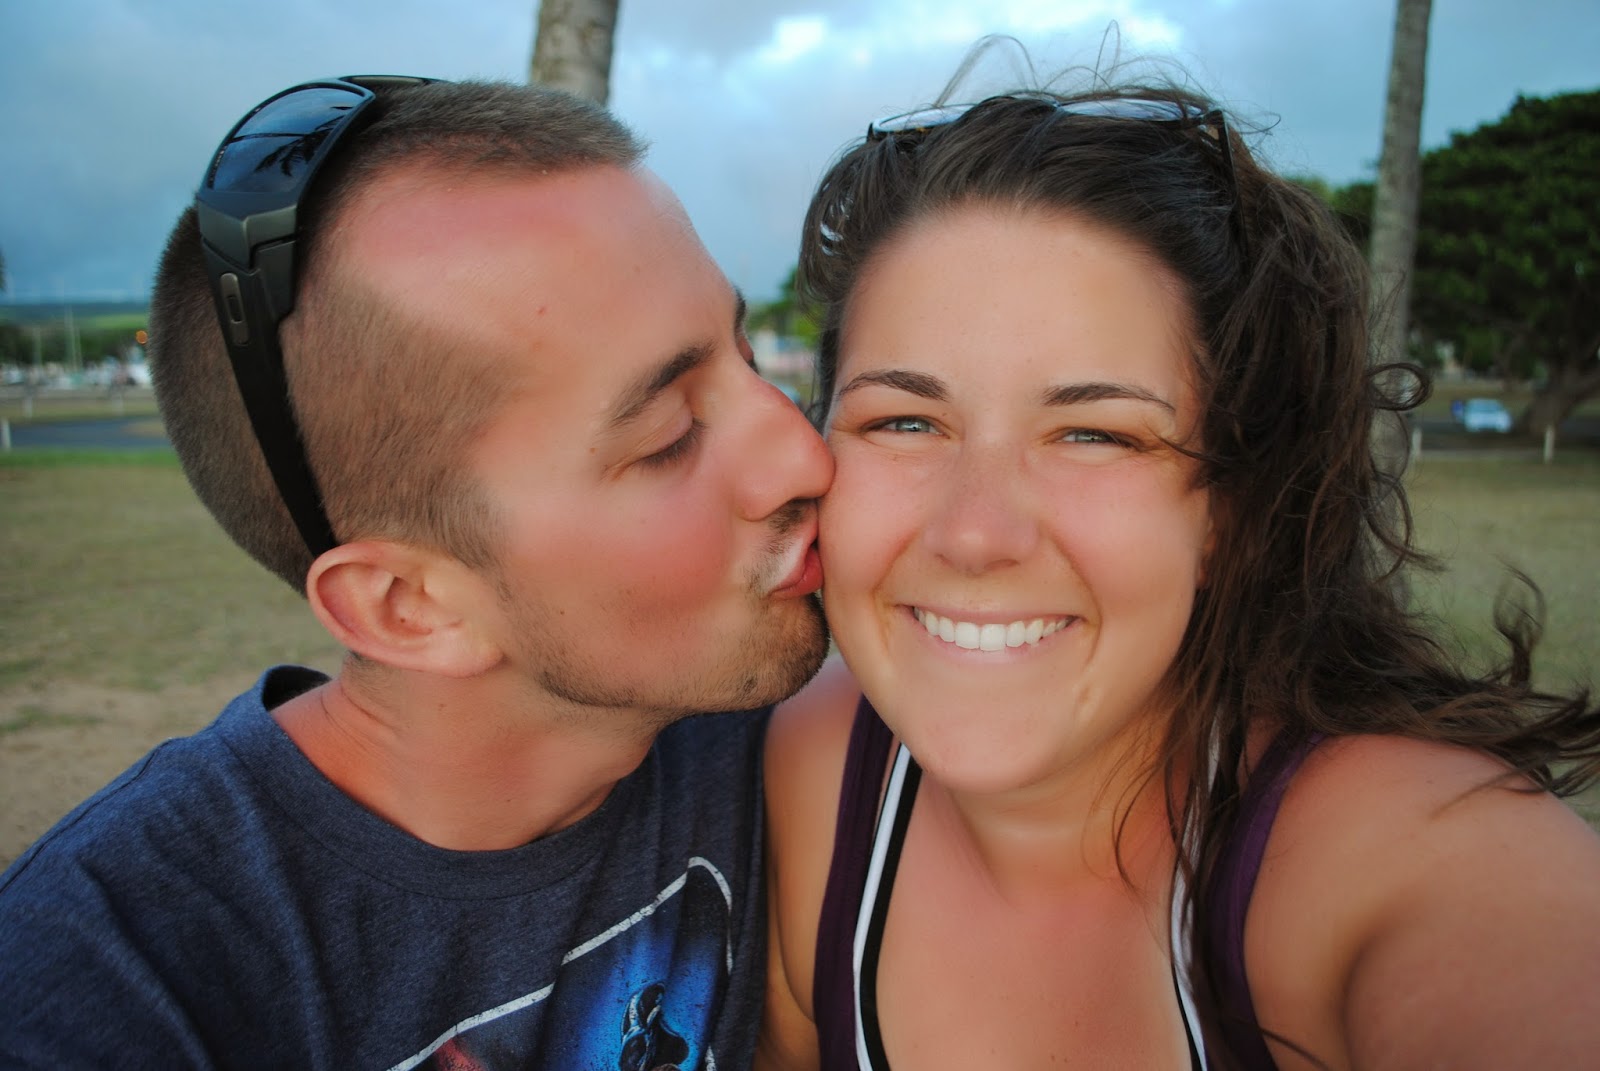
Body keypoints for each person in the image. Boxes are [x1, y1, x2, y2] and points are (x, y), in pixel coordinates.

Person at [758, 80, 1600, 1069]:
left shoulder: (1414, 849)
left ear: (1227, 512)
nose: (975, 533)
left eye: (1095, 434)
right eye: (905, 421)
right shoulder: (811, 771)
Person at [0, 76, 832, 1069]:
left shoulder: (795, 739)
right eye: (668, 436)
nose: (805, 454)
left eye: (744, 355)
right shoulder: (106, 979)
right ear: (409, 607)